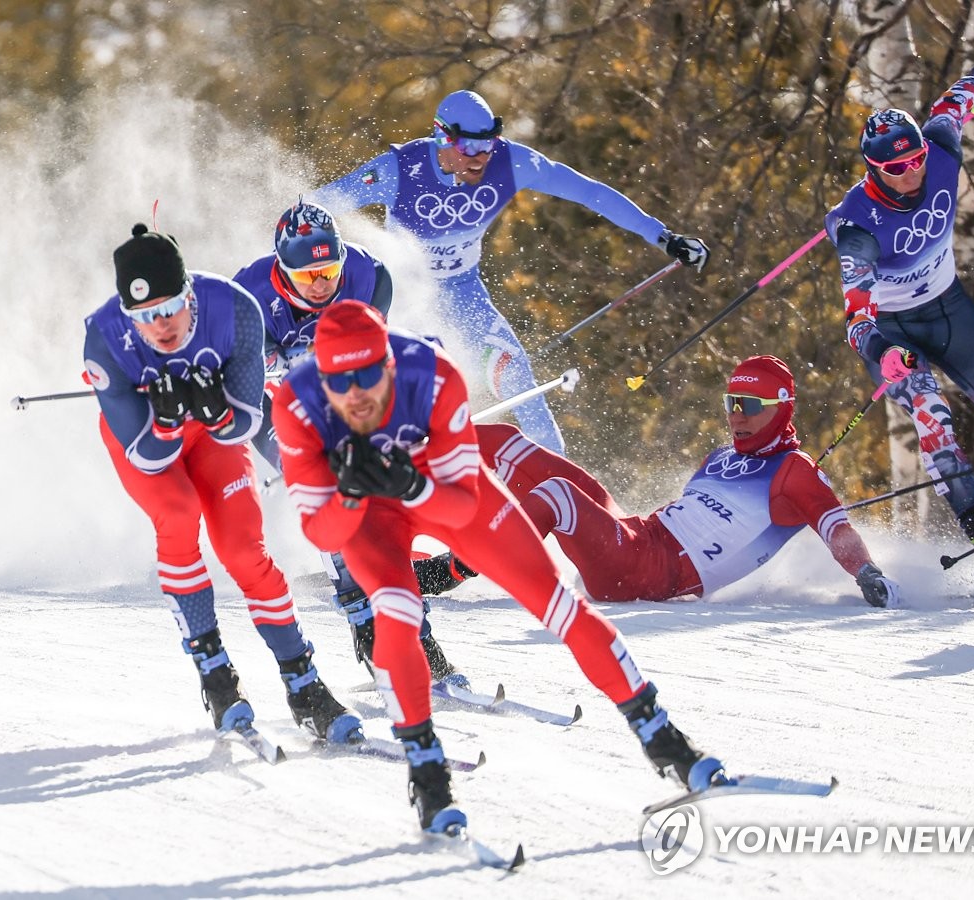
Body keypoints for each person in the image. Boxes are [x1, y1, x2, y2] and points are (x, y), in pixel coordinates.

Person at [270, 300, 727, 833]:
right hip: (370, 514)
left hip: (440, 487)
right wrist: (349, 491)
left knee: (557, 603)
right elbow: (323, 533)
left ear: (389, 364)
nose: (355, 394)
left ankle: (663, 739)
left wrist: (412, 483)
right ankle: (428, 773)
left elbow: (461, 503)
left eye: (368, 374)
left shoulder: (431, 372)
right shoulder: (297, 404)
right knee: (394, 613)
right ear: (320, 376)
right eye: (339, 381)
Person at [311, 89, 710, 456]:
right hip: (401, 301)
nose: (481, 156)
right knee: (404, 401)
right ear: (441, 137)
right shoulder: (399, 168)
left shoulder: (512, 162)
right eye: (469, 145)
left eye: (489, 143)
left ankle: (561, 489)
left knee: (520, 379)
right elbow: (319, 207)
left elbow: (590, 191)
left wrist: (663, 237)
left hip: (462, 295)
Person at [83, 223, 361, 744]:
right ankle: (215, 673)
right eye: (144, 316)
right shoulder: (103, 336)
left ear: (191, 294)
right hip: (147, 440)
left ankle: (303, 681)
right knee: (179, 515)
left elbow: (246, 424)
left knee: (243, 550)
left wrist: (214, 410)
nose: (160, 326)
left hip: (213, 435)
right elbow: (146, 455)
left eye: (169, 309)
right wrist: (166, 419)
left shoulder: (232, 309)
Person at [417, 356, 902, 609]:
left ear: (782, 410)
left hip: (649, 574)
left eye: (750, 407)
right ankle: (397, 452)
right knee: (508, 441)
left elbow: (838, 530)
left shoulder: (794, 473)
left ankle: (451, 572)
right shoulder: (721, 456)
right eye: (731, 404)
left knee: (556, 497)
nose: (738, 417)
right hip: (638, 535)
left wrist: (869, 574)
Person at [232, 199, 465, 686]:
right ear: (282, 271)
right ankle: (363, 618)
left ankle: (408, 625)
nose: (319, 285)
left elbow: (368, 353)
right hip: (276, 404)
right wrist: (275, 356)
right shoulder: (247, 296)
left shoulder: (369, 275)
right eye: (306, 277)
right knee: (327, 485)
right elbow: (246, 383)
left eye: (328, 272)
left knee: (372, 489)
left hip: (340, 392)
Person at [824, 63, 974, 594]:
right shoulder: (858, 227)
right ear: (873, 169)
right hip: (894, 333)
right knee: (933, 416)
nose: (911, 172)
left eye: (915, 160)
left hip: (949, 310)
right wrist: (884, 353)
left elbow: (966, 89)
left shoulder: (941, 146)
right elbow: (857, 321)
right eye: (896, 167)